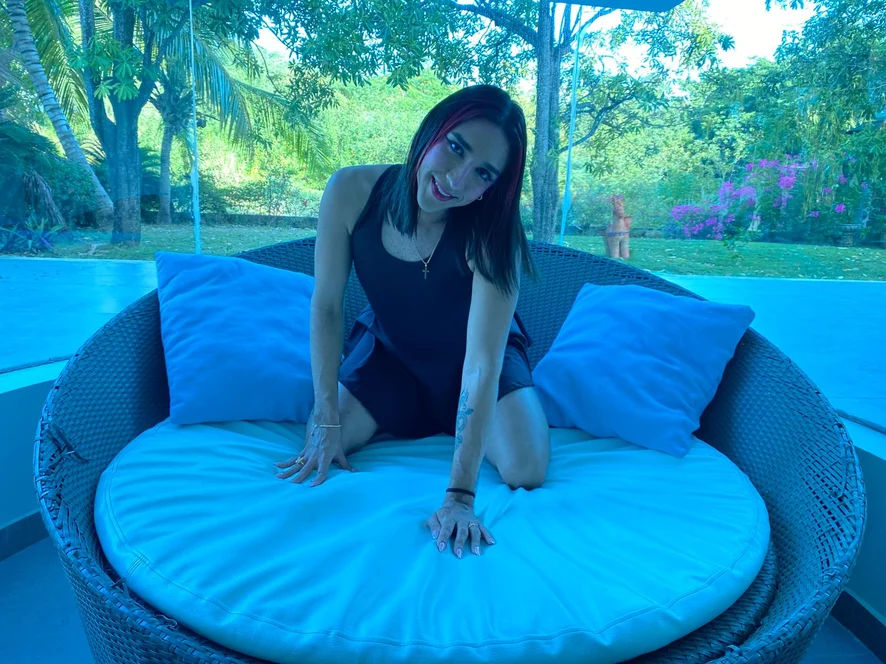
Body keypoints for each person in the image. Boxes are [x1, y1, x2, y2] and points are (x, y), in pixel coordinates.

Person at [275, 85, 550, 559]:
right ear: (432, 130)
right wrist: (325, 416)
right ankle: (421, 411)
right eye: (456, 147)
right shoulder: (350, 192)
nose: (456, 180)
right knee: (323, 443)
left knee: (526, 469)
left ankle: (446, 417)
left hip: (476, 361)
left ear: (494, 186)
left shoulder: (492, 235)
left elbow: (482, 363)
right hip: (393, 353)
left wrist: (459, 497)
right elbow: (326, 307)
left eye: (482, 173)